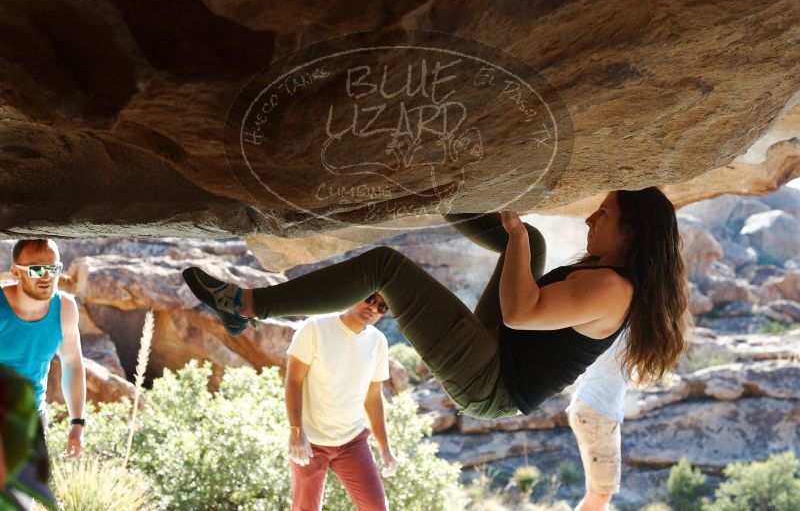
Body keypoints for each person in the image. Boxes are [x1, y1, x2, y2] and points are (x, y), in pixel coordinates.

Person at [183, 187, 690, 420]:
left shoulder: (612, 289)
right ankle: (434, 189)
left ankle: (246, 306)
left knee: (387, 265)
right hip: (499, 352)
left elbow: (520, 312)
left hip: (492, 385)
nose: (589, 221)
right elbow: (523, 310)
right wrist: (517, 237)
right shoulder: (610, 277)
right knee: (531, 243)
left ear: (630, 232)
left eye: (602, 214)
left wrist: (511, 231)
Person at [284, 293, 397, 511]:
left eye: (382, 307)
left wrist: (385, 448)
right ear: (356, 293)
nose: (374, 308)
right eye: (371, 299)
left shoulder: (378, 342)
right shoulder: (315, 328)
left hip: (352, 441)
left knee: (377, 508)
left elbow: (373, 398)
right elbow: (293, 382)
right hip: (311, 442)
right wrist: (296, 432)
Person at [0, 239, 86, 455]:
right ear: (16, 272)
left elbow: (73, 363)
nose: (47, 276)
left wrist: (77, 422)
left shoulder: (65, 308)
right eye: (37, 270)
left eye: (53, 268)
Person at [567, 330, 630, 511]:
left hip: (589, 408)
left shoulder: (617, 319)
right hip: (598, 414)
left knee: (600, 494)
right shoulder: (633, 324)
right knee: (600, 495)